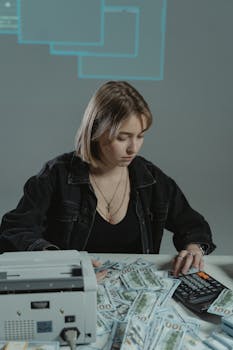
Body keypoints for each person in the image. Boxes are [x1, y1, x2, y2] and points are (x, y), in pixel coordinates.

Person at [0, 81, 216, 277]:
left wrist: (194, 247)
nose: (133, 148)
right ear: (96, 131)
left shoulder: (151, 178)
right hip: (73, 290)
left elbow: (193, 225)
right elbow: (14, 230)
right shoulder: (56, 175)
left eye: (140, 136)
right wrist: (60, 261)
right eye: (122, 138)